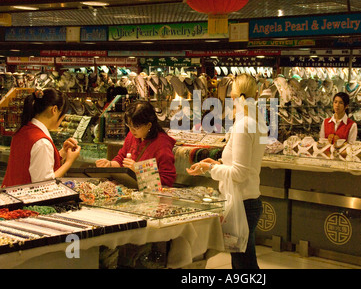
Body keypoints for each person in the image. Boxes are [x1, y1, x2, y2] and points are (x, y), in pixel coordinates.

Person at [187, 74, 267, 269]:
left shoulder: (243, 125)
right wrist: (219, 161)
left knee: (243, 264)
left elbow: (239, 173)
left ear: (233, 97)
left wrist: (210, 168)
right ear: (255, 95)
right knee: (243, 262)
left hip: (242, 204)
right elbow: (245, 163)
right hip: (248, 201)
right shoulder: (257, 123)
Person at [2, 88, 81, 187]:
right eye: (63, 115)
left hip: (12, 195)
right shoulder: (42, 142)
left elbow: (31, 163)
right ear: (54, 110)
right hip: (28, 199)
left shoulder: (24, 130)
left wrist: (62, 153)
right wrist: (69, 162)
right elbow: (44, 184)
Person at [95, 100, 176, 187]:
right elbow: (122, 158)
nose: (132, 130)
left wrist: (139, 169)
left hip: (151, 195)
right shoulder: (132, 136)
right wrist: (110, 164)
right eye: (129, 126)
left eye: (136, 127)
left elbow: (168, 180)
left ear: (149, 125)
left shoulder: (162, 144)